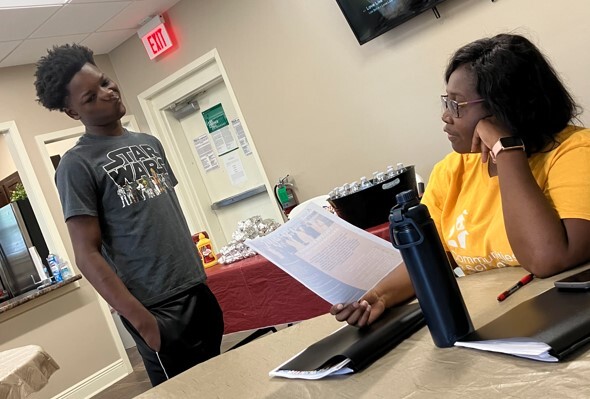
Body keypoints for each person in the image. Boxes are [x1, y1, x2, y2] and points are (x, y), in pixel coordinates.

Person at [332, 33, 590, 327]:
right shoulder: (451, 171)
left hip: (567, 323)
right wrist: (379, 296)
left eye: (457, 105)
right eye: (446, 101)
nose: (445, 116)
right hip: (497, 324)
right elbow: (432, 257)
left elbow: (548, 259)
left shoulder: (574, 152)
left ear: (505, 105)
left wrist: (506, 151)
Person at [34, 44, 224, 386]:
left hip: (197, 288)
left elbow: (162, 216)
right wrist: (144, 323)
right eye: (90, 97)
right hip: (155, 307)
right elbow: (86, 253)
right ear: (73, 113)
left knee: (223, 384)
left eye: (105, 82)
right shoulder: (76, 165)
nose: (107, 94)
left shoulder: (149, 142)